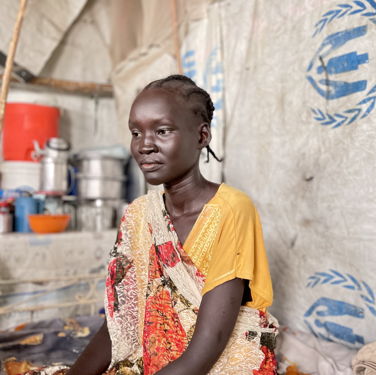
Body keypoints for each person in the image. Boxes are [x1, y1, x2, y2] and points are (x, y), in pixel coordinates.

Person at [37, 75, 277, 375]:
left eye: (162, 131)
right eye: (136, 132)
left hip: (218, 360)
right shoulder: (139, 214)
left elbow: (211, 342)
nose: (144, 145)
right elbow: (122, 322)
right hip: (155, 359)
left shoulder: (232, 209)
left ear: (202, 136)